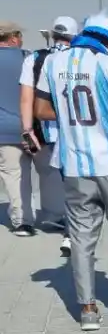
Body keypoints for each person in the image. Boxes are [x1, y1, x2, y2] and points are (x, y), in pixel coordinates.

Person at [34, 12, 108, 331]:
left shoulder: (54, 63)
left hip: (74, 164)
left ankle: (87, 310)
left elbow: (41, 110)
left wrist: (70, 114)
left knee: (82, 239)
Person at [17, 16, 77, 255]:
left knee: (51, 173)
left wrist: (27, 129)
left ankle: (58, 214)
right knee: (74, 178)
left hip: (45, 128)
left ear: (52, 35)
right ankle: (73, 228)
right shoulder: (80, 58)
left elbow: (26, 98)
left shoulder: (35, 58)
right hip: (75, 129)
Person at [0, 20, 39, 237]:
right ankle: (55, 214)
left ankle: (22, 221)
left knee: (13, 175)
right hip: (33, 128)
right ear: (13, 37)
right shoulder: (28, 58)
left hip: (3, 130)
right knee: (45, 172)